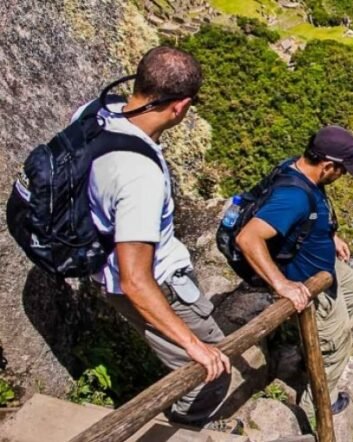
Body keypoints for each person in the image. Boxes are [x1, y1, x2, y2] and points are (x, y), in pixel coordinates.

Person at [84, 46, 232, 427]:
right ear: (180, 107)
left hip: (103, 264)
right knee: (213, 368)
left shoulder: (94, 113)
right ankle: (185, 426)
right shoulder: (140, 175)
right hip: (155, 283)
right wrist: (194, 346)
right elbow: (136, 279)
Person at [235, 125, 353, 418]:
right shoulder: (293, 197)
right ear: (327, 166)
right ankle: (316, 401)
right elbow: (248, 238)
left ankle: (319, 347)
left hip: (322, 261)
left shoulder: (301, 170)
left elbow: (308, 211)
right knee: (337, 344)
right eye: (342, 170)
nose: (344, 176)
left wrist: (328, 235)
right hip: (309, 277)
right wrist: (281, 284)